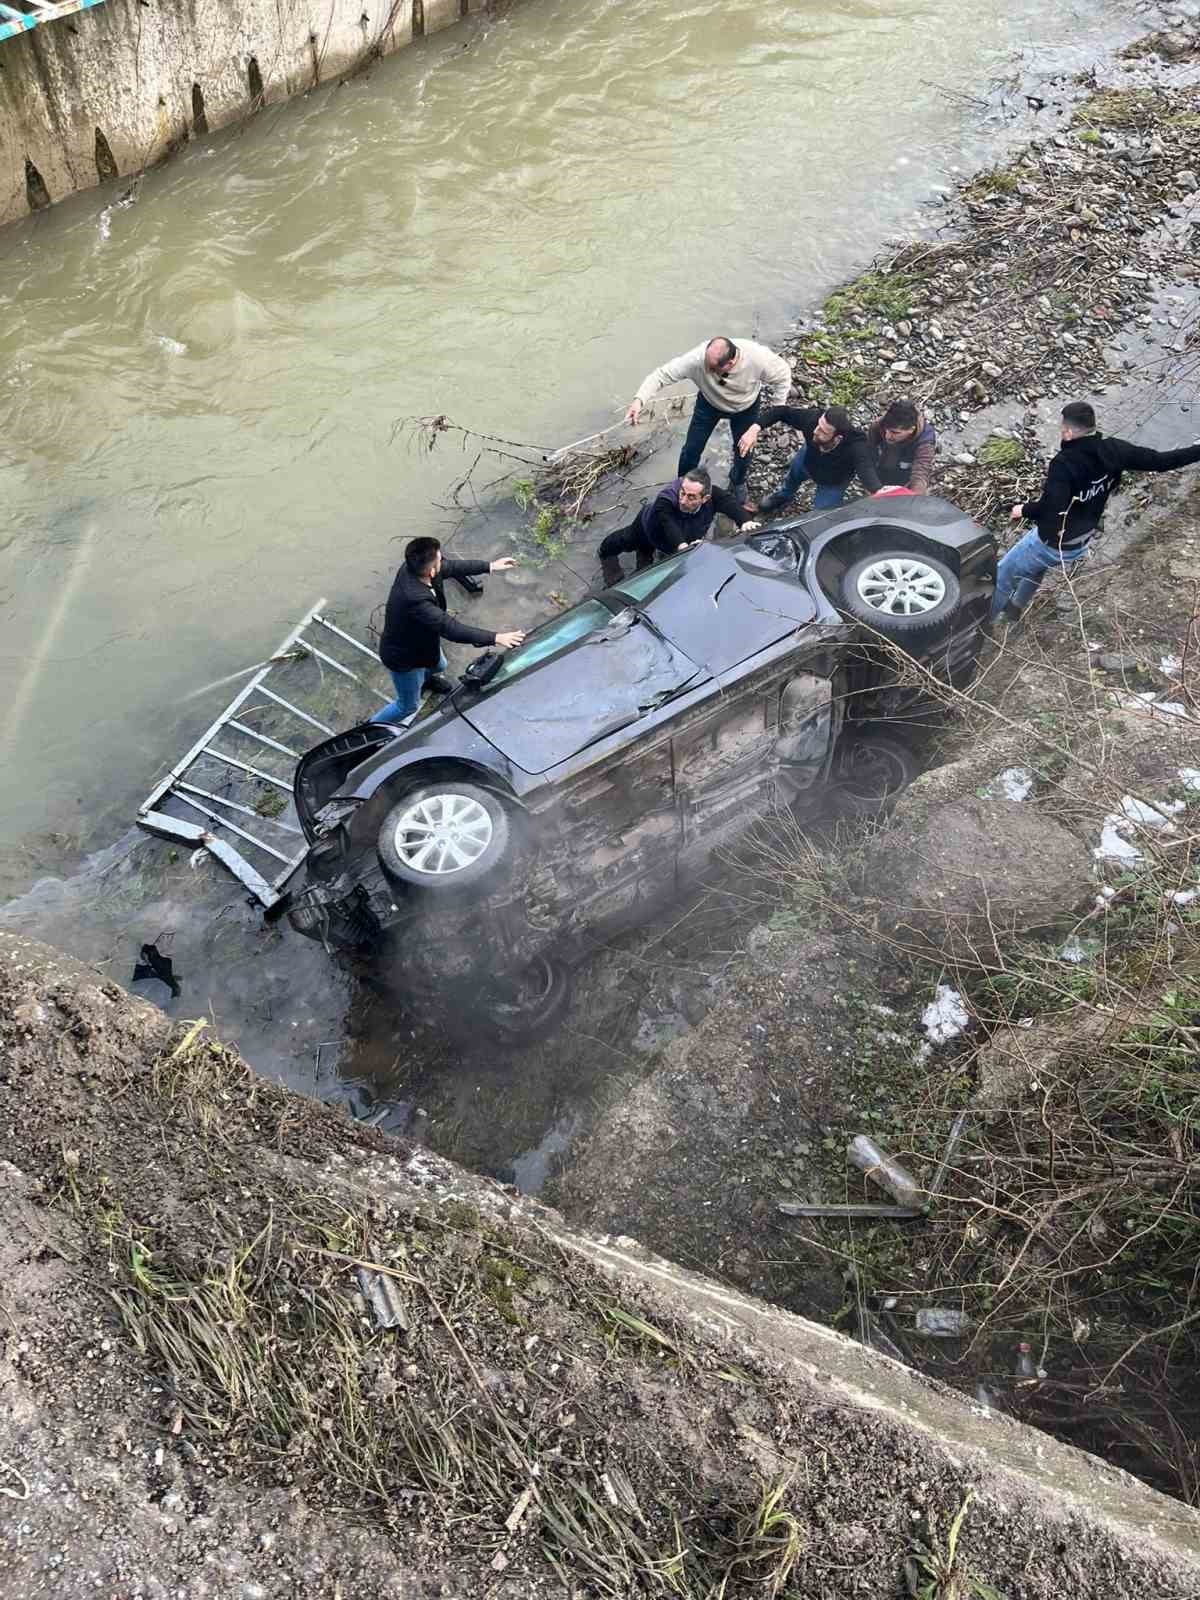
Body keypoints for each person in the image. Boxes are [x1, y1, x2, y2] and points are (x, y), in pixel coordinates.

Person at [992, 401, 1200, 622]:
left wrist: (1023, 509)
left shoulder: (1064, 464)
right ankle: (1015, 607)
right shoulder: (1114, 450)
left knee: (1002, 576)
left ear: (1068, 432)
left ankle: (982, 627)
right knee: (1035, 566)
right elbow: (1161, 461)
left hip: (1054, 543)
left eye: (1062, 428)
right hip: (1080, 542)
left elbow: (1051, 510)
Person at [372, 538, 525, 725]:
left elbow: (451, 567)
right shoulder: (414, 599)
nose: (442, 561)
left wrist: (490, 566)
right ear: (431, 571)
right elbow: (451, 629)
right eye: (439, 559)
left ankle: (426, 682)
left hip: (423, 640)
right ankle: (370, 729)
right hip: (404, 657)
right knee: (407, 706)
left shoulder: (416, 568)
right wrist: (496, 637)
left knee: (439, 665)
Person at [626, 336, 793, 502]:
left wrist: (774, 412)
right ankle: (683, 485)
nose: (706, 368)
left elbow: (783, 376)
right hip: (708, 405)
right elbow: (661, 375)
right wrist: (639, 400)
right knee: (691, 450)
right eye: (706, 362)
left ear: (731, 363)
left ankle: (738, 481)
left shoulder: (757, 358)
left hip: (745, 408)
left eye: (712, 368)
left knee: (744, 451)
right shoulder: (697, 359)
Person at [597, 466, 761, 586]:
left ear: (705, 499)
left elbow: (729, 503)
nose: (682, 500)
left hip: (677, 542)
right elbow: (669, 524)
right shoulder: (666, 499)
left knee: (647, 569)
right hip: (649, 527)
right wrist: (684, 547)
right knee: (627, 540)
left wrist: (745, 521)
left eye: (691, 497)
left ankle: (645, 554)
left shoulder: (714, 496)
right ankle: (605, 553)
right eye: (682, 492)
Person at [750, 404, 882, 513]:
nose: (815, 431)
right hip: (807, 460)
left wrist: (878, 490)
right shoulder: (813, 419)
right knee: (792, 477)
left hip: (832, 481)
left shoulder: (857, 446)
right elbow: (782, 412)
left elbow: (866, 469)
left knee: (822, 515)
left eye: (823, 431)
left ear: (838, 438)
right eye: (819, 425)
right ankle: (783, 496)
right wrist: (755, 427)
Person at [865, 399, 937, 494]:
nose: (887, 436)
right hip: (884, 463)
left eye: (895, 432)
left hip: (907, 472)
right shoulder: (878, 425)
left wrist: (914, 497)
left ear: (911, 430)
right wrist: (872, 484)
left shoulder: (925, 441)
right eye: (886, 430)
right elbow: (869, 454)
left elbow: (921, 473)